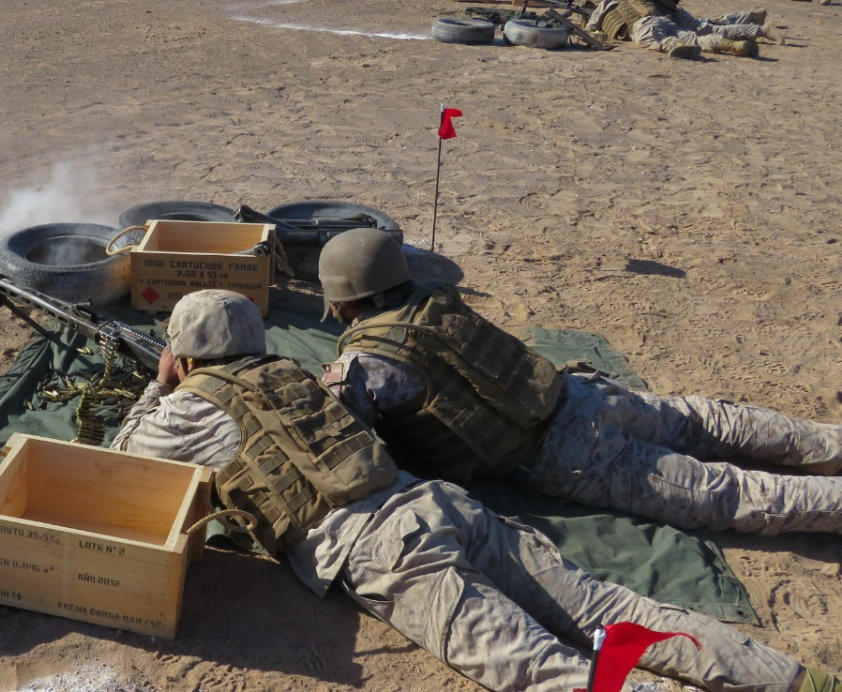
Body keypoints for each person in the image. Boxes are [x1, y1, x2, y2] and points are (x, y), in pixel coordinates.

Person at [112, 288, 836, 692]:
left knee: (543, 669)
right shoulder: (297, 375)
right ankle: (787, 681)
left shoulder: (185, 411)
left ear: (186, 354)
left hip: (384, 552)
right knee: (615, 610)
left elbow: (121, 460)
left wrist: (158, 385)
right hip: (438, 503)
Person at [318, 228, 842, 538]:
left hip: (567, 454)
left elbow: (351, 451)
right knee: (711, 421)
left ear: (341, 298)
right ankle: (830, 442)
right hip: (584, 393)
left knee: (725, 494)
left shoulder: (366, 362)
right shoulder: (434, 293)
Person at [586, 0, 784, 59]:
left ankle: (727, 46)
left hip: (645, 25)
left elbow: (592, 26)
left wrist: (596, 32)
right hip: (666, 17)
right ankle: (758, 31)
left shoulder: (609, 2)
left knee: (666, 41)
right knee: (710, 27)